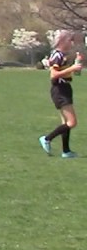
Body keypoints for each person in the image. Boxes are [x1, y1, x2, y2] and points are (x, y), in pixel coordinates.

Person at [39, 30, 83, 159]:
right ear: (63, 41)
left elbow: (68, 73)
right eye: (70, 40)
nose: (72, 43)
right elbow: (54, 75)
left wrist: (77, 64)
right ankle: (47, 139)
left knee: (65, 122)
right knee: (72, 122)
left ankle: (66, 151)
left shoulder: (62, 55)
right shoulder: (57, 55)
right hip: (60, 89)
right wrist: (73, 68)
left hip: (64, 88)